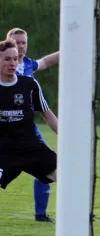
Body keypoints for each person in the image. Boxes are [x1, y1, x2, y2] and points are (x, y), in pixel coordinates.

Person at [7, 28, 60, 222]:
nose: (21, 46)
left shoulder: (29, 64)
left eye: (23, 42)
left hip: (27, 128)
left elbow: (46, 61)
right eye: (17, 42)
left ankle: (41, 214)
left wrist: (68, 50)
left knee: (46, 166)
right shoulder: (4, 64)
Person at [0, 39, 58, 192]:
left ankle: (80, 216)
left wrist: (68, 140)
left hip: (31, 148)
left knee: (68, 176)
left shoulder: (30, 85)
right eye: (7, 59)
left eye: (15, 58)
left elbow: (49, 116)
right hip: (3, 152)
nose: (12, 63)